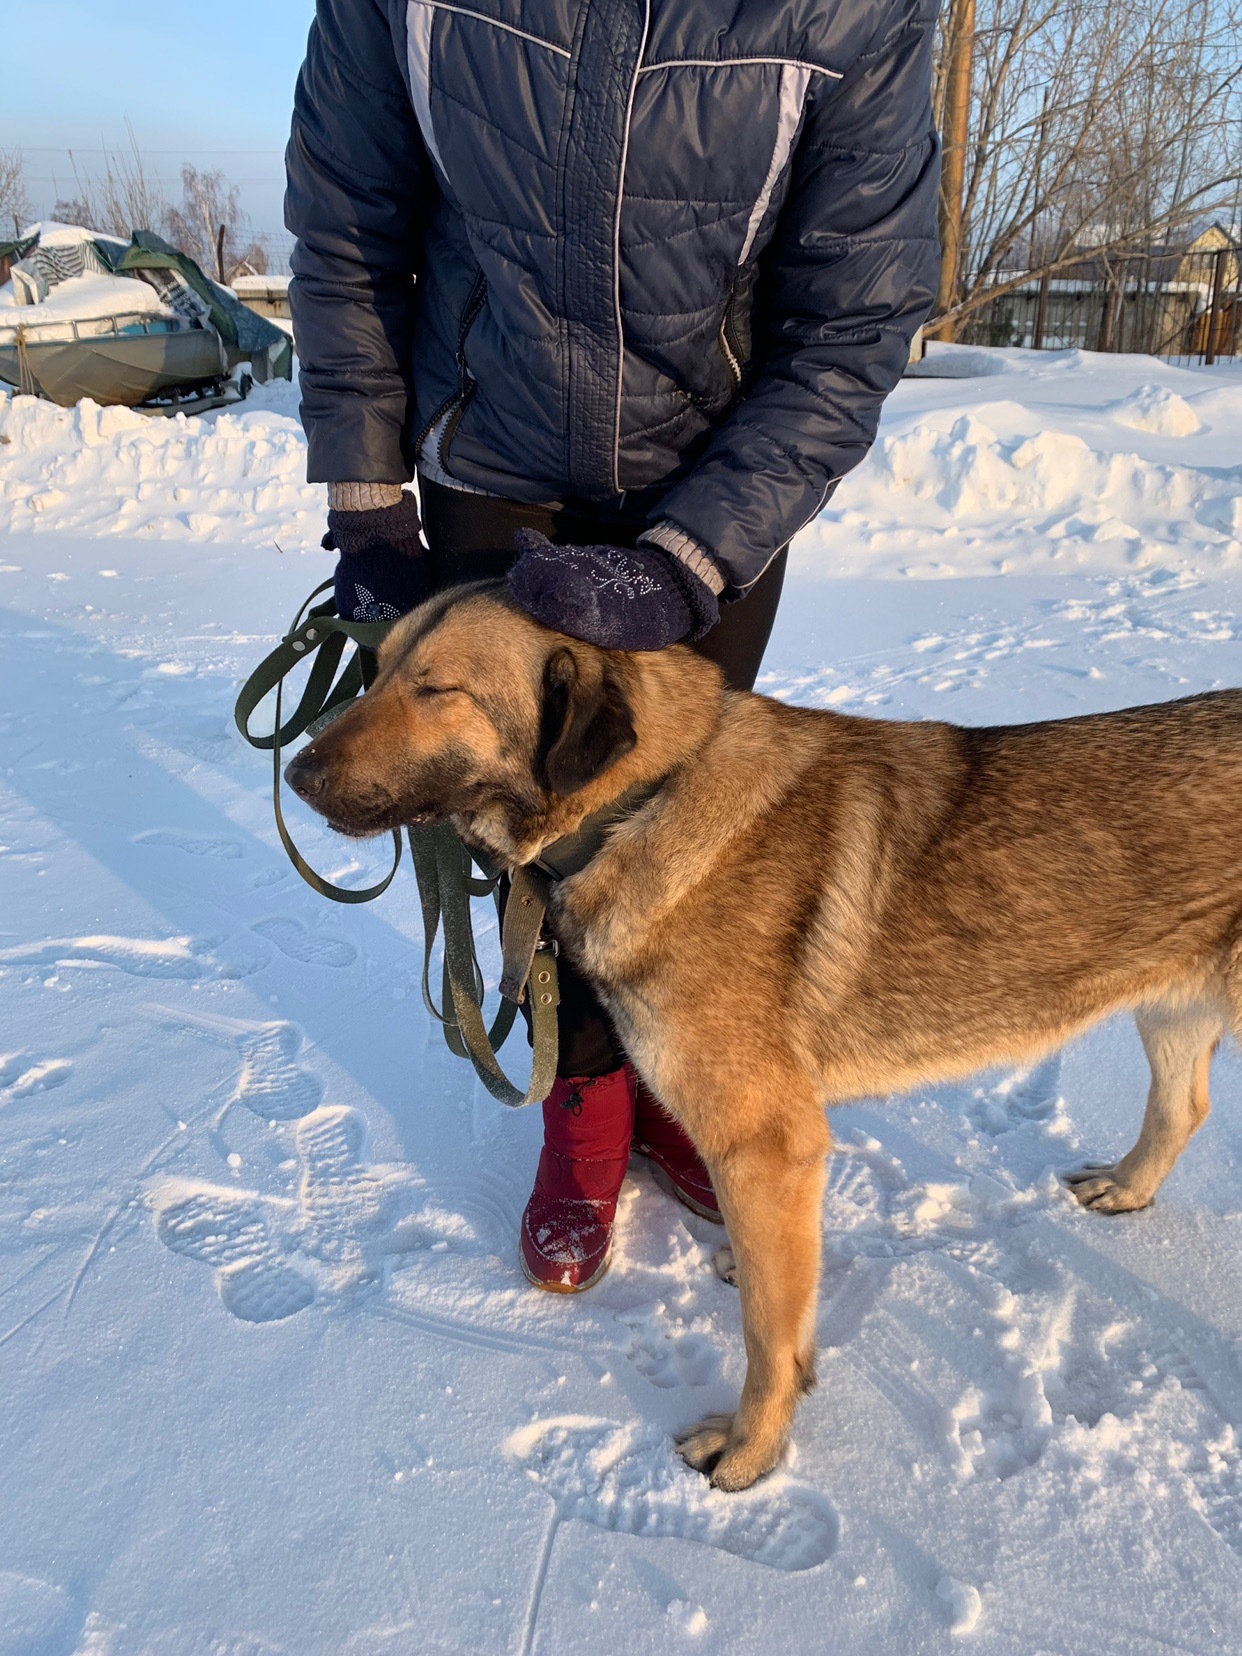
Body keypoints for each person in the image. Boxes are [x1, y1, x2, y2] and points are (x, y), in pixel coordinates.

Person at [286, 0, 938, 1292]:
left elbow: (854, 318)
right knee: (527, 834)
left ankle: (670, 1074)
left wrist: (692, 558)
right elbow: (350, 216)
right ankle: (582, 1103)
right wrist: (366, 500)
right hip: (495, 463)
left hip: (713, 483)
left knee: (691, 834)